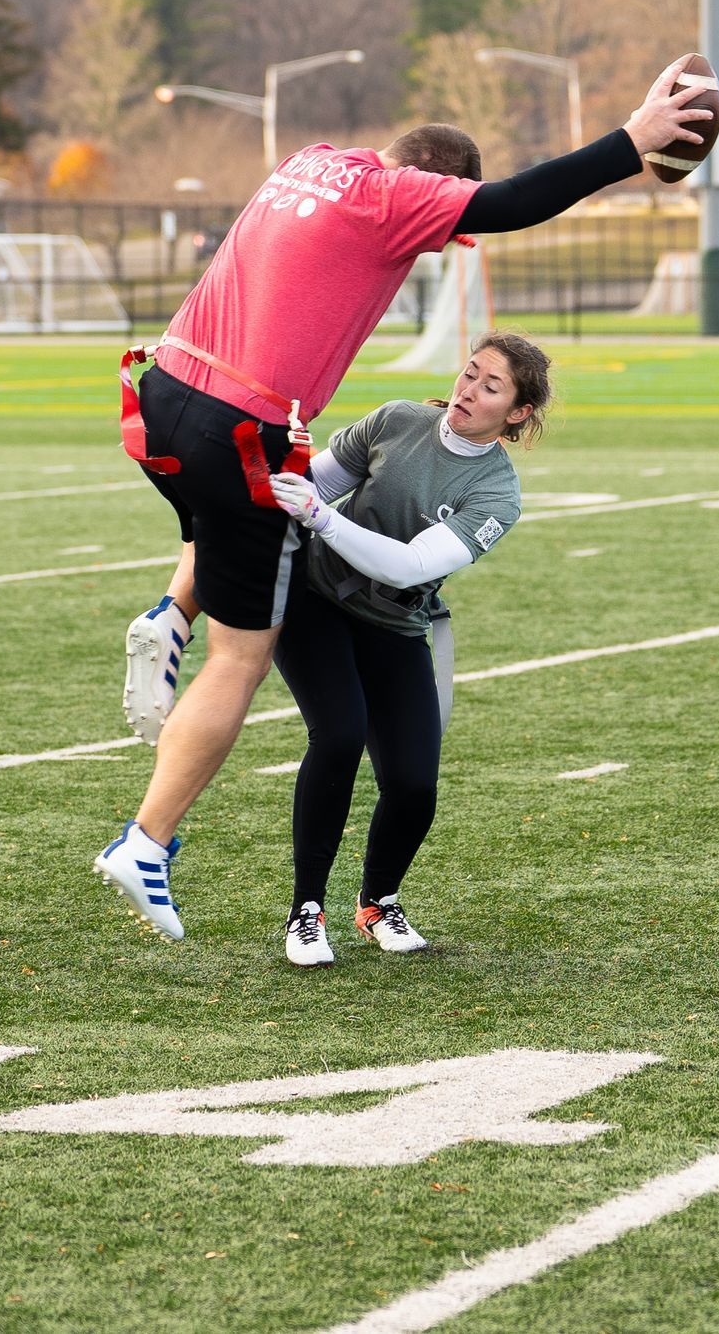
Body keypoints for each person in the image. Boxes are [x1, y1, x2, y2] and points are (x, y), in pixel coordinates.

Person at [97, 57, 709, 941]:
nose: (442, 240)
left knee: (224, 519)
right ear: (433, 186)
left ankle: (169, 613)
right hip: (239, 424)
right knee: (244, 655)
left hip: (161, 394)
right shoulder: (398, 199)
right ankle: (146, 842)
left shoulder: (307, 161)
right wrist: (631, 144)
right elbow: (509, 203)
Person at [266, 332, 548, 967]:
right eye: (469, 374)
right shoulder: (396, 420)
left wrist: (320, 514)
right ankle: (306, 911)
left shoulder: (498, 495)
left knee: (415, 784)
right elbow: (312, 483)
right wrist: (273, 476)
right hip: (314, 600)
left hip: (394, 622)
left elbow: (403, 567)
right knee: (337, 735)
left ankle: (378, 901)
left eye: (490, 386)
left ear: (518, 413)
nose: (468, 390)